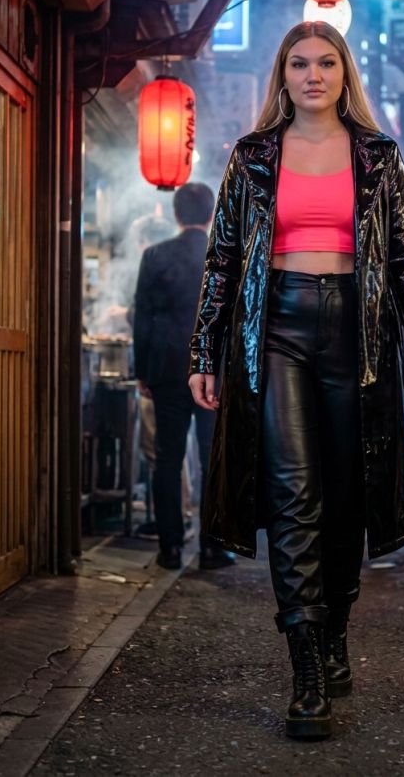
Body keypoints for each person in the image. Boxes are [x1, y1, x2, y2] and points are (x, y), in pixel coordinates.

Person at [188, 21, 404, 740]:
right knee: (293, 496)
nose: (312, 75)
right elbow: (223, 260)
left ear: (343, 73)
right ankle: (305, 667)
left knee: (346, 496)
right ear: (283, 75)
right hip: (276, 331)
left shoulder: (379, 156)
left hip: (359, 334)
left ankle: (335, 632)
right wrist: (204, 352)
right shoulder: (254, 156)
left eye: (326, 63)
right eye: (298, 63)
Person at [133, 182, 235, 571]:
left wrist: (143, 372)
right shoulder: (223, 255)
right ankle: (211, 548)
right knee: (212, 460)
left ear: (176, 214)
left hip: (165, 370)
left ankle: (170, 548)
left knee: (168, 458)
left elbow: (143, 317)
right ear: (211, 214)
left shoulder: (155, 255)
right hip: (213, 373)